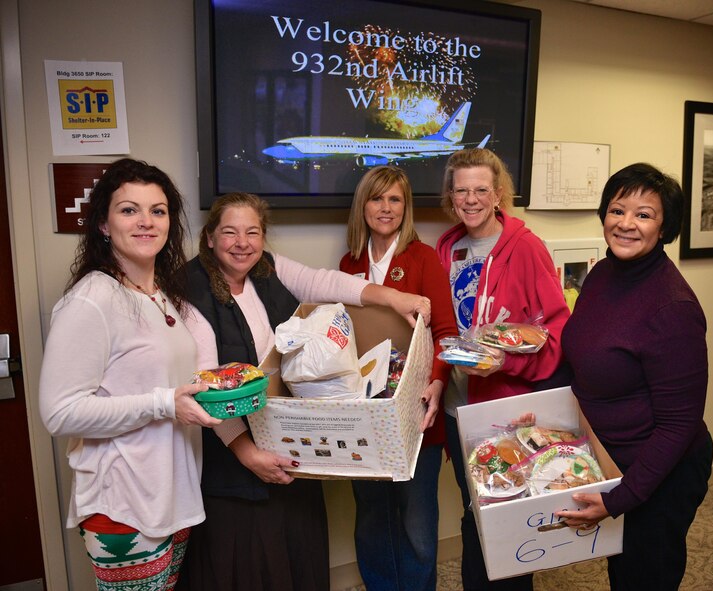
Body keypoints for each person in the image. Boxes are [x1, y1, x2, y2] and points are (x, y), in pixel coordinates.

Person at [176, 192, 431, 591]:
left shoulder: (267, 268)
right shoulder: (190, 291)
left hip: (288, 441)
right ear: (209, 238)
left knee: (297, 551)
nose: (242, 243)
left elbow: (325, 282)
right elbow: (208, 388)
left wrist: (394, 297)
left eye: (252, 232)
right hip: (232, 456)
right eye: (229, 232)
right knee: (250, 566)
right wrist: (248, 454)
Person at [38, 158, 221, 591]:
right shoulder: (92, 299)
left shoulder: (163, 296)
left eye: (157, 211)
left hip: (170, 495)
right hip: (123, 505)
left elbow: (176, 380)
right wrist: (163, 402)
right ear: (103, 223)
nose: (146, 222)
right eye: (129, 210)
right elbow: (59, 413)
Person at [556, 163, 713, 590]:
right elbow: (584, 356)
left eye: (644, 214)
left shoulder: (673, 308)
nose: (626, 223)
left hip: (662, 473)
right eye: (617, 210)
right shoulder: (604, 273)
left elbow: (678, 425)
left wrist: (618, 499)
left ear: (664, 228)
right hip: (615, 460)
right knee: (622, 574)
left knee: (644, 579)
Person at [435, 148, 571, 591]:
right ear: (450, 196)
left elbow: (555, 332)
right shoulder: (446, 246)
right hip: (458, 408)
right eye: (461, 190)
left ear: (498, 194)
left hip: (507, 411)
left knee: (506, 515)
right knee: (474, 508)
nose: (470, 199)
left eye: (481, 189)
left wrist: (503, 360)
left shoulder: (526, 248)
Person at [339, 166, 458, 591]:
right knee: (371, 514)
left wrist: (438, 382)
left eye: (395, 200)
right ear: (363, 206)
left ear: (405, 208)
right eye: (377, 199)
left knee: (416, 520)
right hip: (365, 414)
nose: (385, 208)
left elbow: (446, 333)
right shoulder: (349, 262)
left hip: (417, 410)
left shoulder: (422, 258)